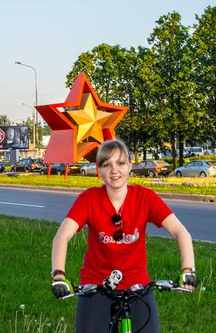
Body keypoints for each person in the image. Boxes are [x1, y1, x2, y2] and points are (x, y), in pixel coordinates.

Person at [50, 139, 198, 333]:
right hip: (96, 285)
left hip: (137, 286)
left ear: (129, 166)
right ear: (99, 170)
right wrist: (58, 275)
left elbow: (181, 232)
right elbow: (61, 236)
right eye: (106, 164)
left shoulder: (145, 197)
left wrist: (188, 270)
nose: (114, 170)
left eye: (120, 163)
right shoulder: (89, 199)